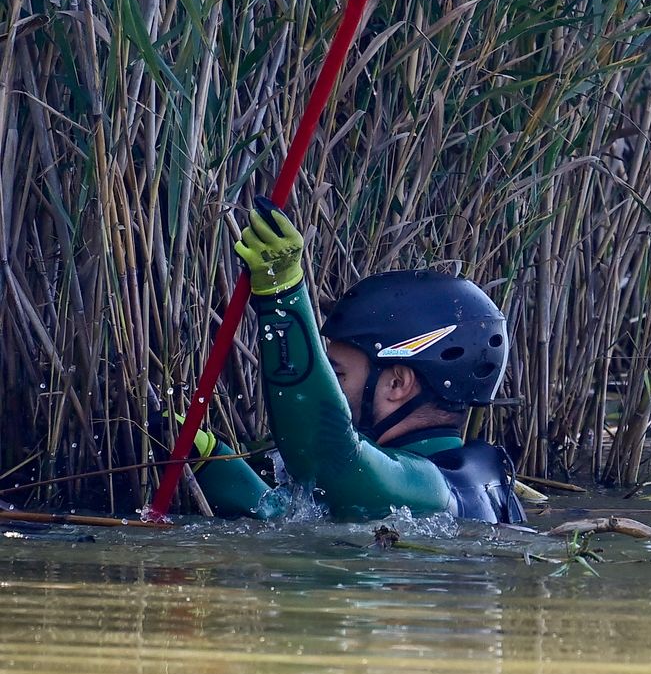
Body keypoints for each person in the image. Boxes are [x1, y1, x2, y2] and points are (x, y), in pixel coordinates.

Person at [190, 199, 526, 523]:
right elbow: (281, 513)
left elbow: (328, 456)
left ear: (397, 383)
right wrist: (206, 457)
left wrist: (281, 290)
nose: (330, 386)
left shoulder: (432, 489)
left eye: (337, 374)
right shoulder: (471, 487)